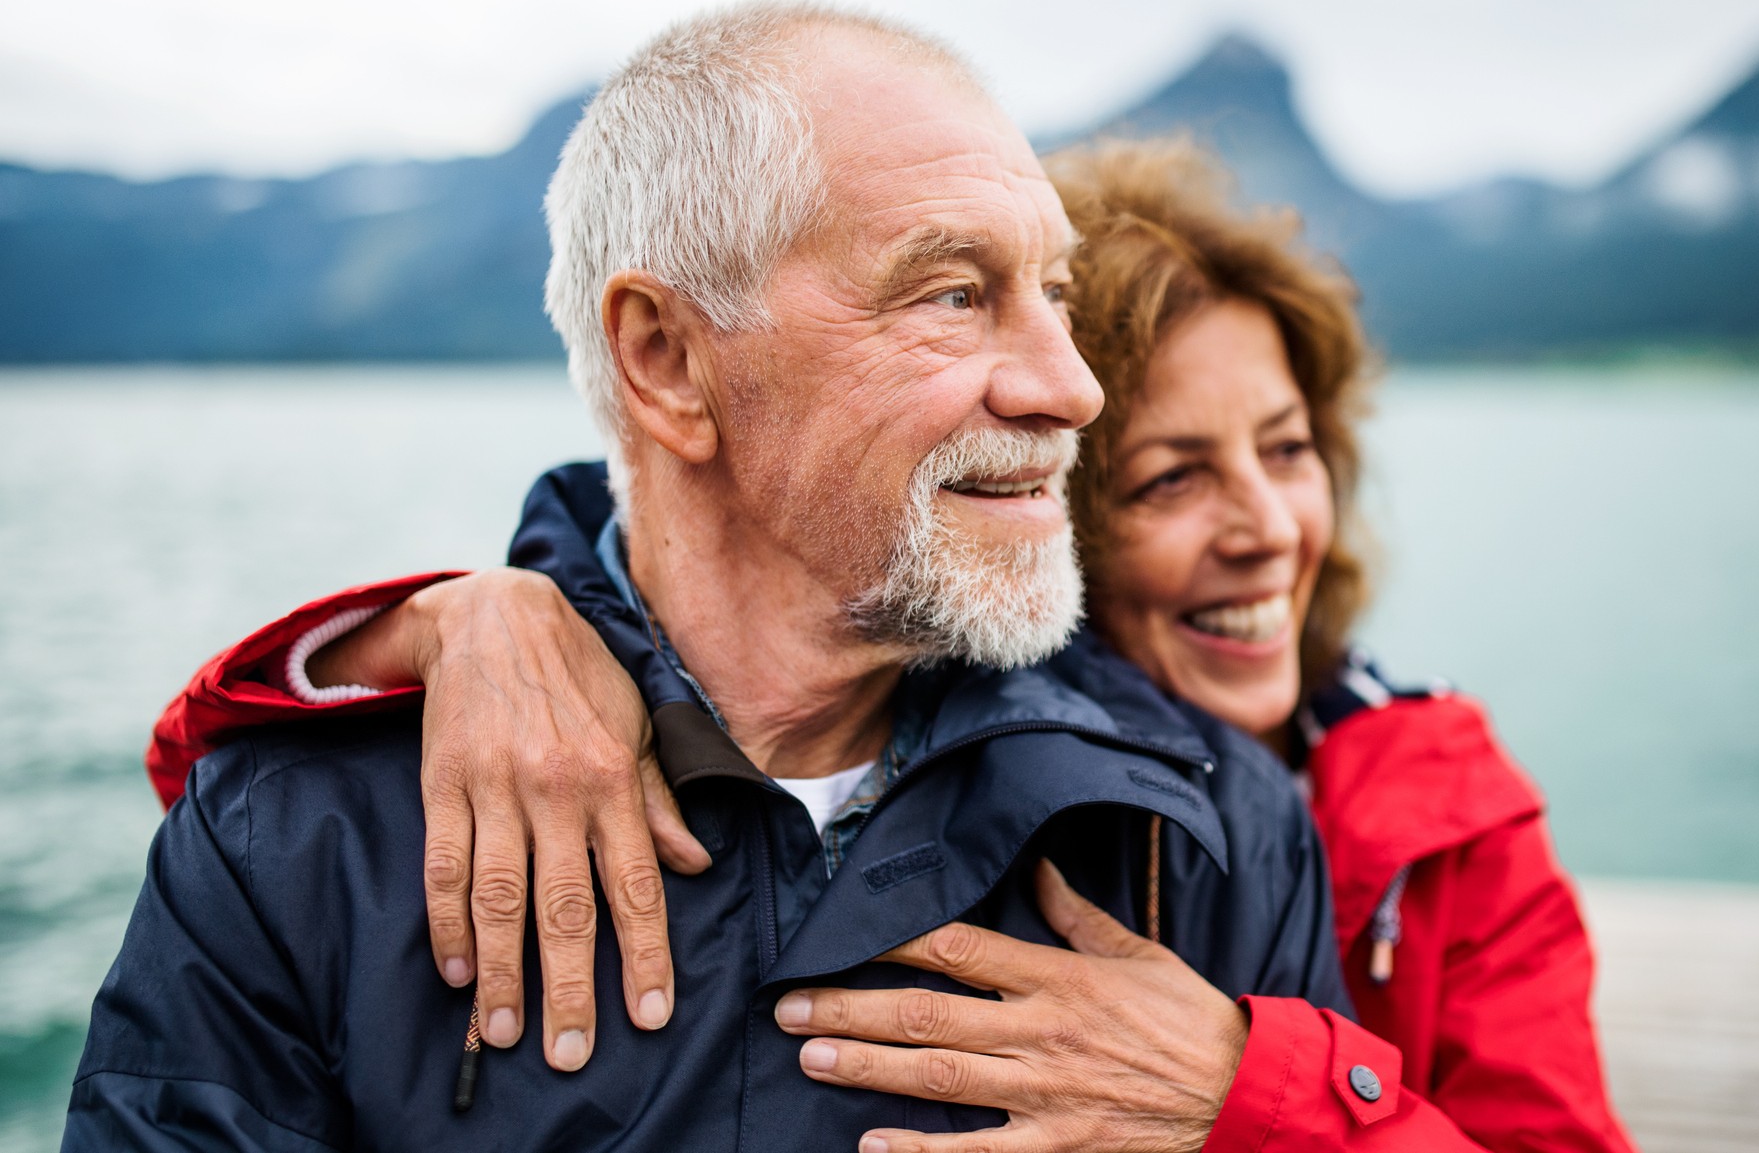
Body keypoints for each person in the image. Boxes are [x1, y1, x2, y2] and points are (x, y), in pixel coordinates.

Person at [131, 129, 1638, 1150]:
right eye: (1171, 476)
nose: (1266, 526)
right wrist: (456, 617)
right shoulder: (501, 724)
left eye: (1291, 448)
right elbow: (235, 799)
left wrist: (1251, 1085)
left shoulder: (1429, 810)